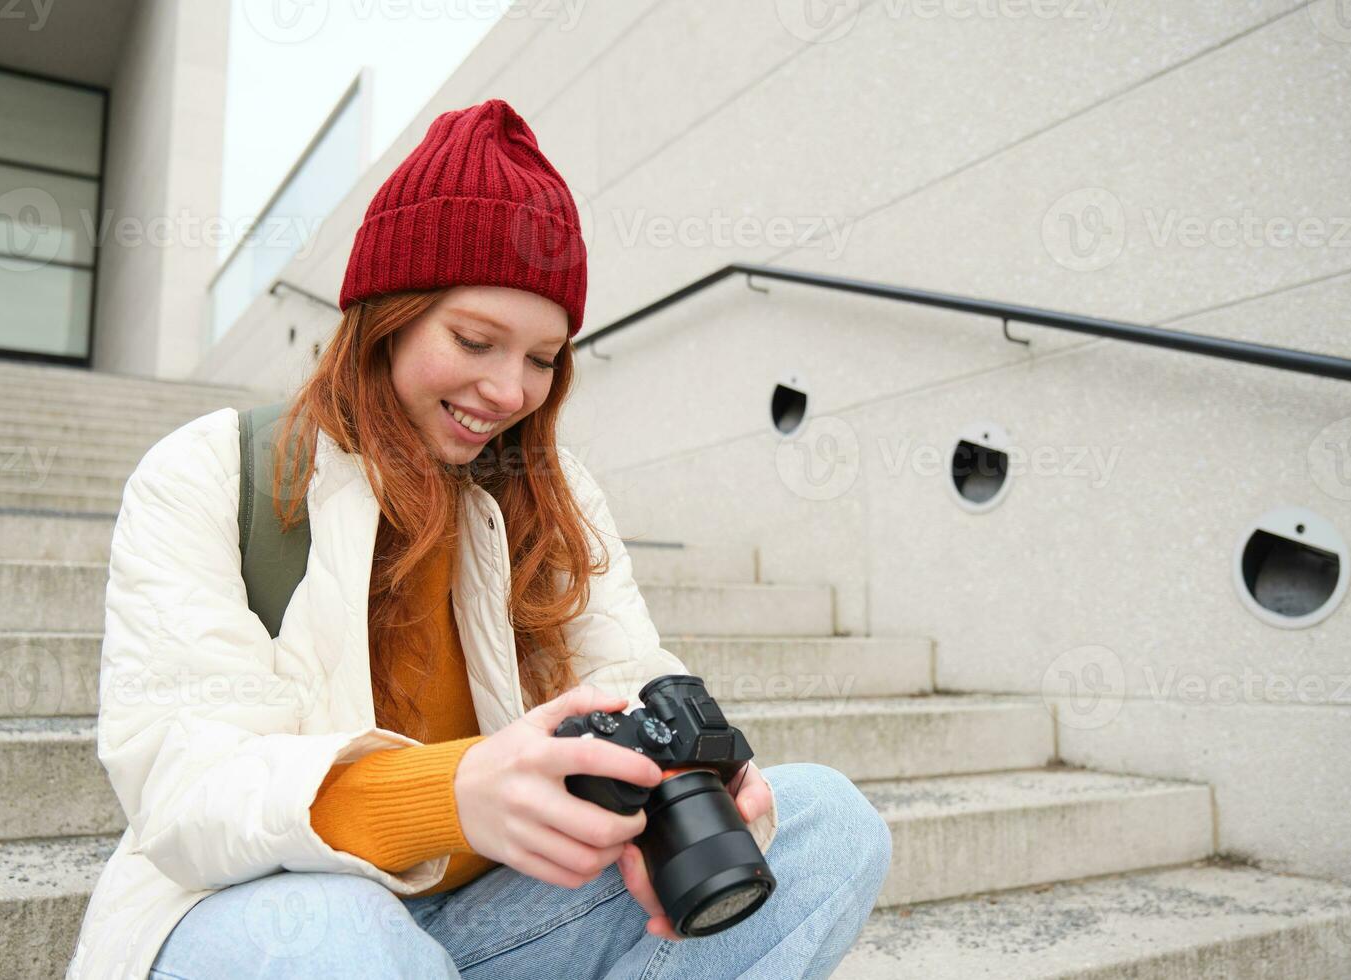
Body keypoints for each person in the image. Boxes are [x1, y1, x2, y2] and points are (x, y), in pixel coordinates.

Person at [67, 98, 890, 980]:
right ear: (385, 316)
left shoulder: (555, 492)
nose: (509, 391)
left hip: (494, 912)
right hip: (270, 907)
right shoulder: (207, 471)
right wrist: (449, 798)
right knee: (343, 935)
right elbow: (187, 787)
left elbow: (628, 670)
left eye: (543, 359)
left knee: (827, 824)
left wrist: (704, 791)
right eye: (475, 340)